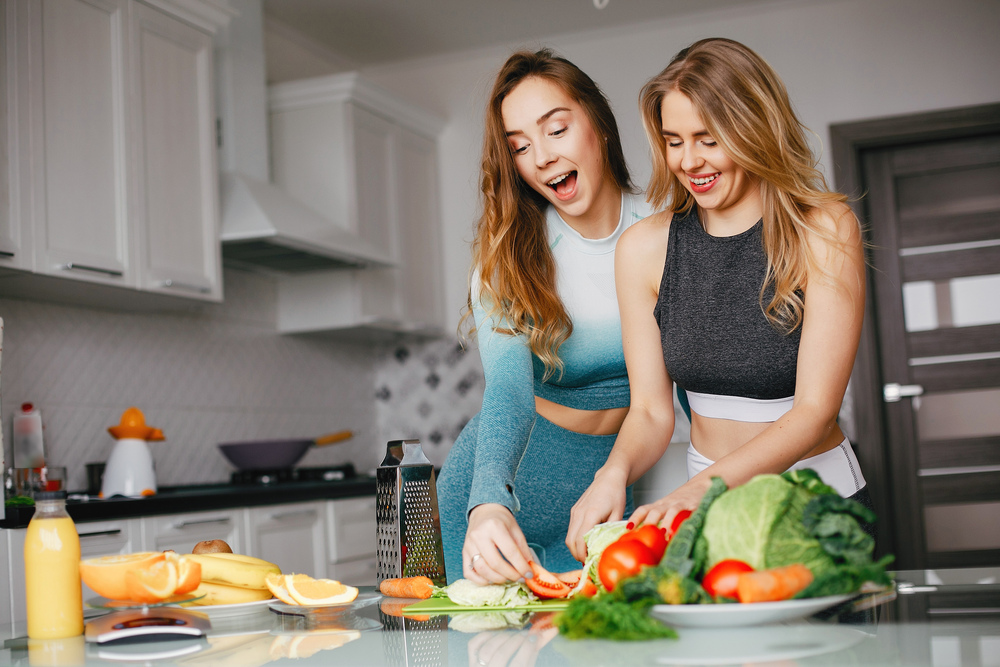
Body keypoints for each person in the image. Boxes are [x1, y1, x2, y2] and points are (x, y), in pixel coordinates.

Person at [566, 37, 871, 561]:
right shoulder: (643, 249)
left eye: (708, 139)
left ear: (753, 128)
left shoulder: (824, 229)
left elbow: (814, 412)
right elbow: (650, 411)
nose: (689, 161)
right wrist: (611, 474)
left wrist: (698, 492)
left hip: (816, 506)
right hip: (710, 513)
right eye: (674, 141)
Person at [437, 48, 656, 584]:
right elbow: (508, 392)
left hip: (606, 490)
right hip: (500, 496)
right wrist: (487, 502)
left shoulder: (666, 231)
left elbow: (697, 382)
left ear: (598, 125)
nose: (541, 157)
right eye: (519, 147)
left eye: (556, 129)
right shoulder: (508, 256)